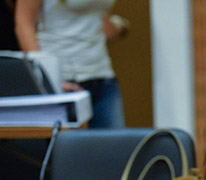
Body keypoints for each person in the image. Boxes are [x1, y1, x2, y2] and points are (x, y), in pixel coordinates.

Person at [15, 0, 128, 128]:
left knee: (114, 140)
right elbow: (24, 24)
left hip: (102, 75)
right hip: (63, 79)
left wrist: (120, 26)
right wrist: (47, 78)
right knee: (66, 140)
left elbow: (97, 15)